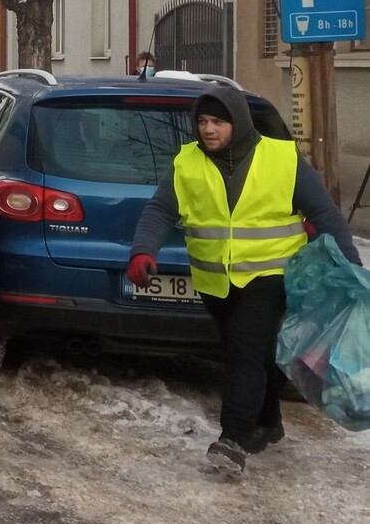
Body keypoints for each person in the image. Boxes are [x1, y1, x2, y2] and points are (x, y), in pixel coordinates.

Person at [129, 83, 360, 477]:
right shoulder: (187, 163)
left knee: (243, 352)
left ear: (237, 122)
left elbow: (324, 214)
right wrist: (142, 251)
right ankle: (268, 423)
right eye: (202, 121)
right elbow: (160, 210)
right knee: (256, 354)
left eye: (217, 121)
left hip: (270, 277)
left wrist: (352, 270)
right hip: (215, 283)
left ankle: (232, 439)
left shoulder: (281, 159)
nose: (208, 129)